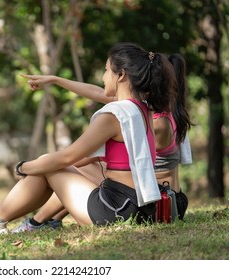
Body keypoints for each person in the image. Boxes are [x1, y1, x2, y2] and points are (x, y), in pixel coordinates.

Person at [0, 42, 177, 241]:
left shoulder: (114, 115)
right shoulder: (142, 108)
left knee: (48, 163)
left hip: (114, 210)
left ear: (120, 75)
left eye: (106, 70)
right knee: (51, 165)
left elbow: (67, 156)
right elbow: (98, 92)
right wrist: (54, 79)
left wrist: (23, 167)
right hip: (135, 205)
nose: (103, 77)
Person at [11, 53, 192, 233]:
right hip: (157, 196)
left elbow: (85, 159)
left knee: (67, 168)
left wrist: (40, 165)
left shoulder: (153, 119)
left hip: (164, 201)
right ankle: (47, 220)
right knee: (73, 169)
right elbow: (97, 92)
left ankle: (37, 222)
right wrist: (56, 80)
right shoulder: (149, 111)